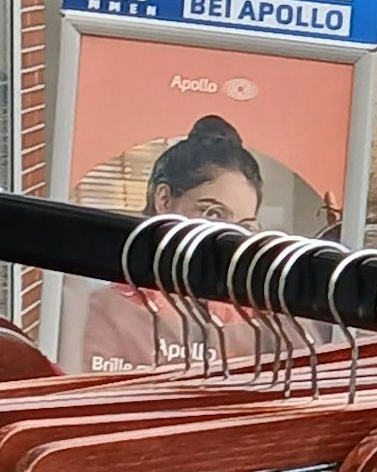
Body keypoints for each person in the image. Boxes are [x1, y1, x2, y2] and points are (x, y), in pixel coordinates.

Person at [77, 117, 263, 372]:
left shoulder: (255, 312)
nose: (227, 239)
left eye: (243, 226)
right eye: (213, 214)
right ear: (164, 199)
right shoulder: (109, 307)